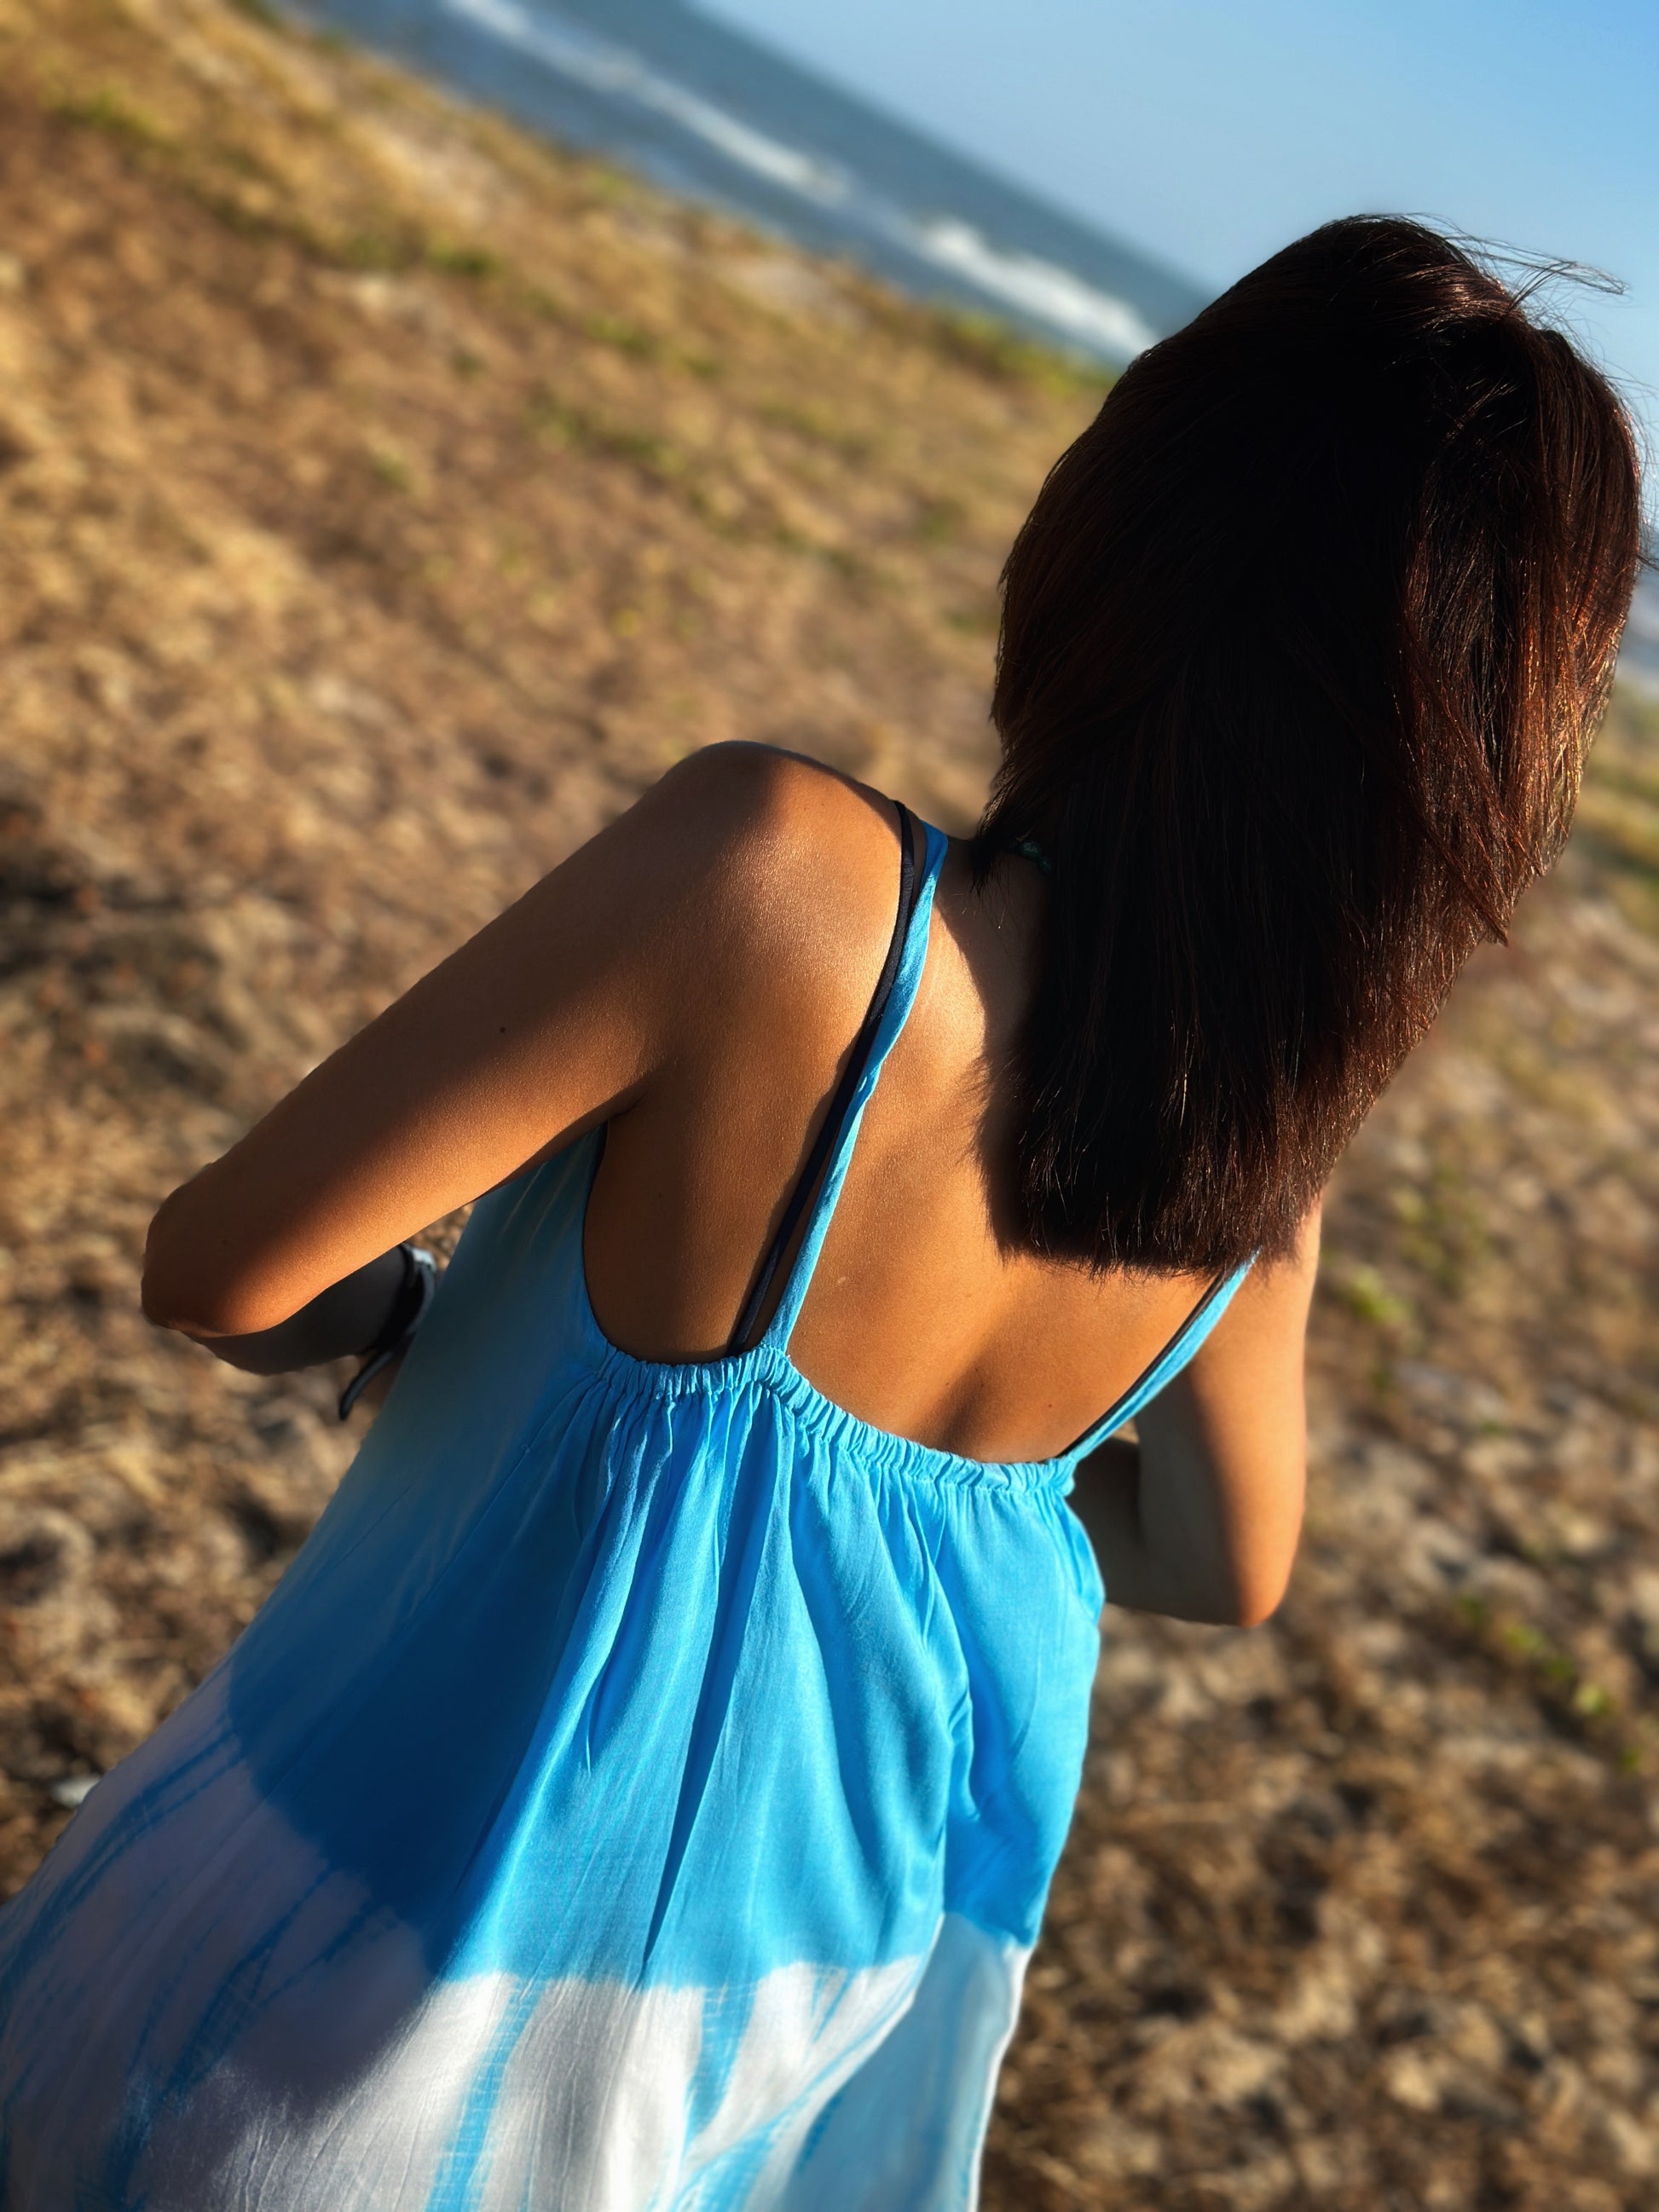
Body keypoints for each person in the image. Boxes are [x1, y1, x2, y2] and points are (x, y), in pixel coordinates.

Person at [0, 216, 1639, 2210]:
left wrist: (433, 1326)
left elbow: (225, 1266)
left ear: (1126, 522)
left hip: (271, 2029)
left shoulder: (786, 882)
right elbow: (1225, 1560)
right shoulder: (1250, 1181)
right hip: (684, 2108)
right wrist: (971, 1461)